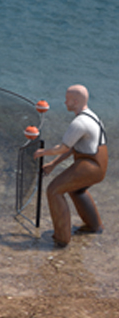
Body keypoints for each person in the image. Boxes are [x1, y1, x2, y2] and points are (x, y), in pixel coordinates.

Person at [34, 84, 107, 247]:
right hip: (96, 164)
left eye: (67, 100)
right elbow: (75, 148)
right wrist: (53, 164)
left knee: (54, 190)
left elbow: (64, 148)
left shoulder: (80, 123)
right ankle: (94, 227)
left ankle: (61, 238)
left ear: (75, 101)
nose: (65, 102)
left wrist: (42, 152)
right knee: (76, 189)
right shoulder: (92, 116)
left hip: (91, 165)